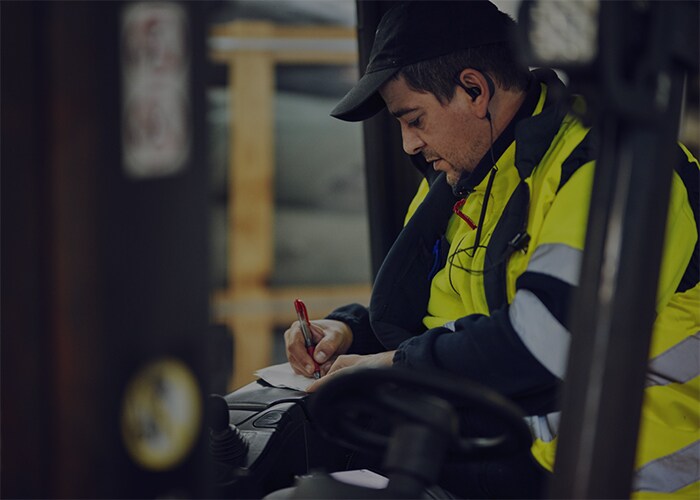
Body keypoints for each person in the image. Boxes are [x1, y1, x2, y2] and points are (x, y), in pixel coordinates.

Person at [284, 1, 700, 498]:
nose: (408, 145)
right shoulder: (468, 178)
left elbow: (546, 342)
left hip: (607, 478)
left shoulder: (613, 174)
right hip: (498, 454)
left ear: (474, 90)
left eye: (413, 119)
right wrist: (351, 332)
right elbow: (454, 321)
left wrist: (396, 366)